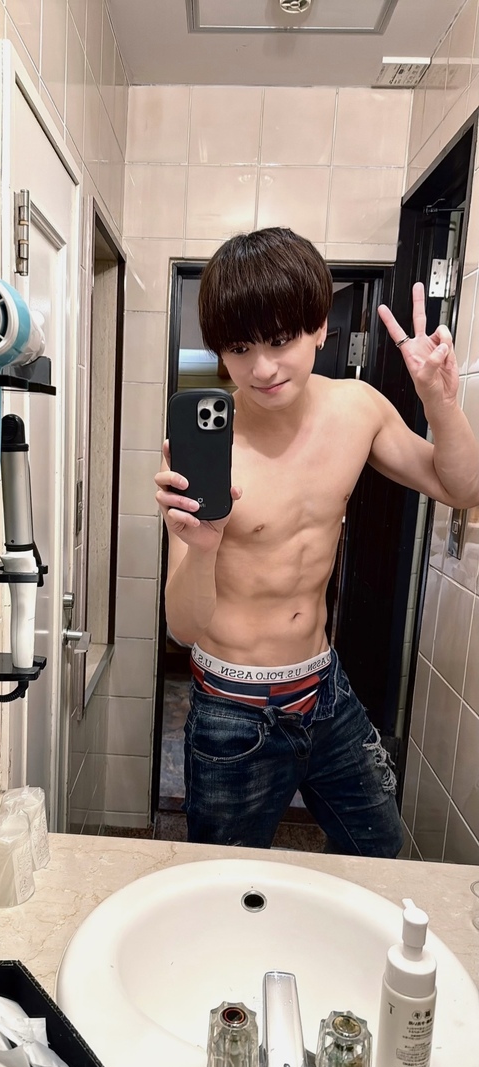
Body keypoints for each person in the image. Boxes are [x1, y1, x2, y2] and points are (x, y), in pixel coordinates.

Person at [155, 227, 479, 856]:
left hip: (325, 691)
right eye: (240, 348)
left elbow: (460, 488)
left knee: (381, 854)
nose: (262, 368)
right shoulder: (206, 452)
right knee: (225, 882)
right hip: (232, 709)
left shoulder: (358, 409)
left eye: (280, 340)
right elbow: (184, 626)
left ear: (320, 327)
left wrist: (440, 402)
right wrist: (204, 546)